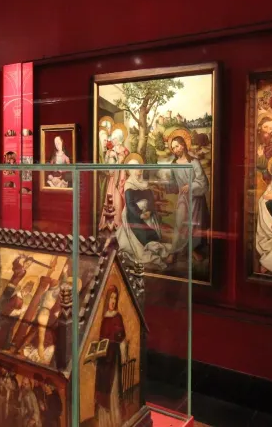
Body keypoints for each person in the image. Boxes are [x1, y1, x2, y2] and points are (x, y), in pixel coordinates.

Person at [116, 160, 170, 270]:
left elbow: (151, 200)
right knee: (142, 238)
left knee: (152, 235)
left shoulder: (144, 183)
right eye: (136, 169)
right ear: (131, 171)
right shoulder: (129, 184)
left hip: (148, 215)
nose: (139, 171)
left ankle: (157, 249)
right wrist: (140, 215)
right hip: (134, 216)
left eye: (140, 169)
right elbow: (130, 204)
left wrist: (149, 211)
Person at [166, 136, 210, 261]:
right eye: (173, 148)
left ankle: (192, 250)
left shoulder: (194, 162)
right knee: (179, 223)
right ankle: (173, 252)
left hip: (196, 199)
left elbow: (202, 182)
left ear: (183, 145)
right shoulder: (174, 164)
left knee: (194, 225)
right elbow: (173, 183)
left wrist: (190, 186)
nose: (175, 149)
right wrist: (168, 184)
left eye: (177, 146)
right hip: (183, 198)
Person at [93, 287, 126, 427]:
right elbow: (102, 339)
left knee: (112, 388)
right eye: (111, 298)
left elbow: (122, 337)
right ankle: (104, 422)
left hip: (113, 358)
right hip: (103, 360)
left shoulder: (118, 317)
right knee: (103, 387)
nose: (113, 301)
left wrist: (118, 337)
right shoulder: (104, 318)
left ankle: (114, 421)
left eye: (115, 298)